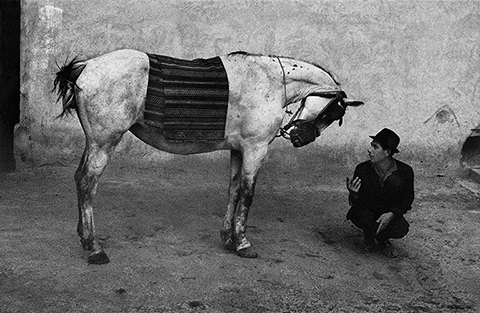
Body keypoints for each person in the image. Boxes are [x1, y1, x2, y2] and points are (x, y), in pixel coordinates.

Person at [346, 128, 414, 257]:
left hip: (388, 213)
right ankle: (369, 237)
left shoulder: (405, 172)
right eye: (371, 146)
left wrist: (392, 214)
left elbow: (407, 200)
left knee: (401, 228)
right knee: (358, 215)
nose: (369, 150)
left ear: (387, 152)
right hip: (369, 212)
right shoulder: (362, 169)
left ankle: (383, 239)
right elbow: (357, 203)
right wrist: (353, 194)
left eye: (375, 147)